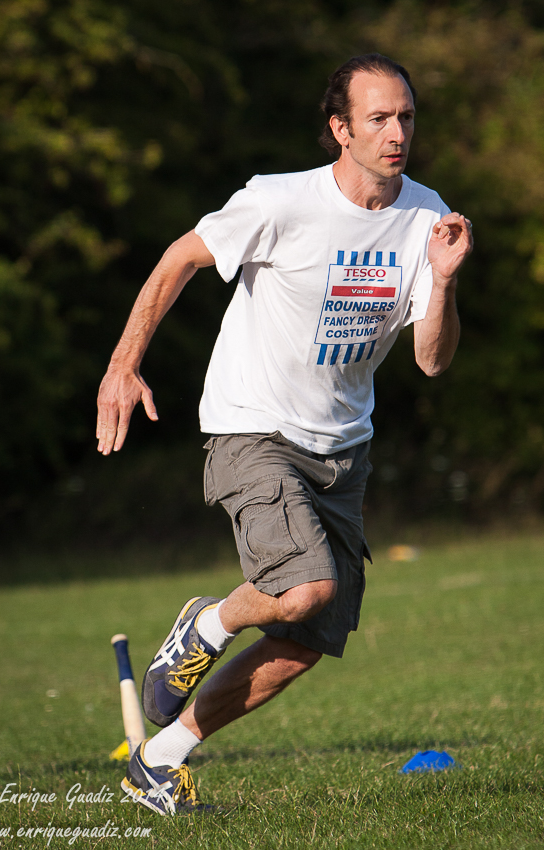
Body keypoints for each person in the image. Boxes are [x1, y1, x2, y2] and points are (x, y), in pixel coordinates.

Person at [96, 53, 473, 815]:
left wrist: (444, 278)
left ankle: (158, 760)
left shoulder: (427, 217)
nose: (396, 132)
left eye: (404, 116)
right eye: (377, 118)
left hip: (343, 450)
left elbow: (432, 360)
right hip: (253, 426)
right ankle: (206, 623)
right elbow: (179, 258)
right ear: (341, 128)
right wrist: (122, 365)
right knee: (304, 589)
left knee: (303, 643)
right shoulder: (279, 200)